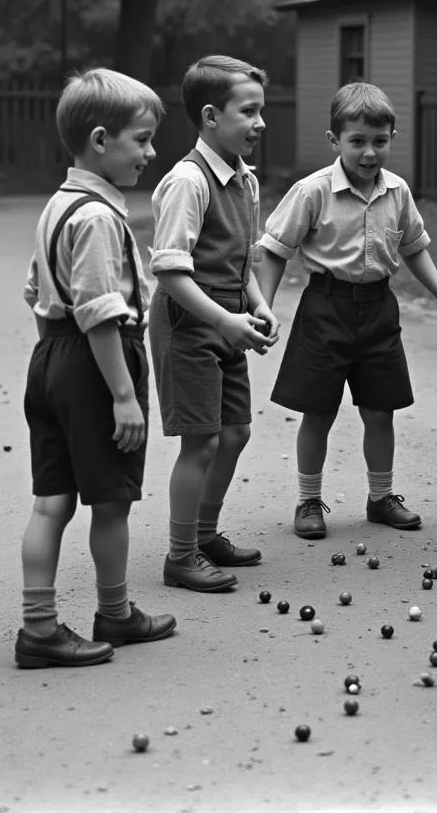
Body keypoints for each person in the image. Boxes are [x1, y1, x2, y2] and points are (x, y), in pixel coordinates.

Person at [257, 82, 437, 540]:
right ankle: (309, 500)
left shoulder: (397, 191)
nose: (370, 152)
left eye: (380, 141)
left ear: (392, 137)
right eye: (357, 141)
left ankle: (380, 497)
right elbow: (275, 250)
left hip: (378, 310)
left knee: (381, 411)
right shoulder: (312, 191)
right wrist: (264, 305)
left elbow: (414, 247)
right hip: (324, 309)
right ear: (335, 141)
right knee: (318, 412)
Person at [17, 69, 176, 669]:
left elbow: (37, 293)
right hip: (95, 365)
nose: (151, 151)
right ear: (102, 139)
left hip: (52, 359)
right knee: (111, 500)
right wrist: (121, 394)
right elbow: (101, 312)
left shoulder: (57, 206)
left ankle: (39, 627)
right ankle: (115, 613)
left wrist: (57, 367)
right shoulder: (100, 219)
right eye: (142, 139)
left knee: (51, 500)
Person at [149, 55, 279, 593]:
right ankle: (181, 555)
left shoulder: (244, 180)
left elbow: (243, 258)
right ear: (209, 116)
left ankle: (204, 533)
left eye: (260, 111)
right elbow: (170, 271)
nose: (260, 122)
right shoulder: (187, 181)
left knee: (236, 432)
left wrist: (258, 302)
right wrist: (225, 320)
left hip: (228, 316)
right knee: (200, 441)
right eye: (248, 111)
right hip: (190, 322)